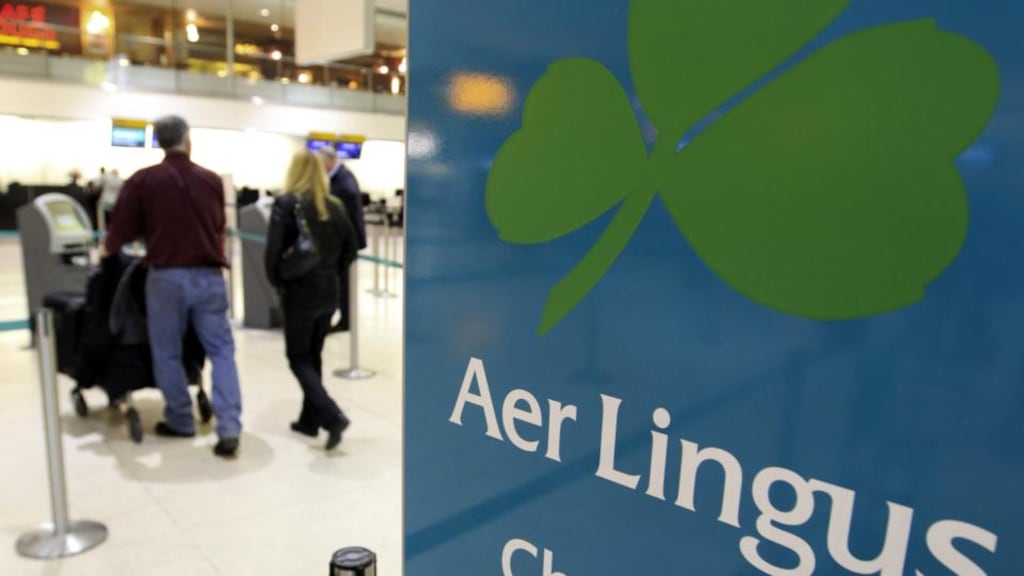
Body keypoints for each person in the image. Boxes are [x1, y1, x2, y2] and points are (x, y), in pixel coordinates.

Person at [104, 115, 243, 458]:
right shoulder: (211, 180)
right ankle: (229, 427)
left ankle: (181, 420)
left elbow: (121, 230)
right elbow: (218, 226)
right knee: (222, 351)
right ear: (187, 139)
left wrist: (106, 253)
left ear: (159, 142)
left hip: (165, 277)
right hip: (209, 276)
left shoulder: (143, 181)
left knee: (167, 351)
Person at [265, 150, 357, 450]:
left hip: (299, 295)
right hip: (328, 294)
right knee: (312, 355)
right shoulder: (334, 206)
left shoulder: (287, 204)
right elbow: (350, 251)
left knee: (297, 358)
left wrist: (280, 281)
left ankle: (331, 416)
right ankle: (308, 420)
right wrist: (331, 273)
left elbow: (272, 256)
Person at [317, 146, 366, 332]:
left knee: (345, 283)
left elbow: (346, 213)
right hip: (343, 242)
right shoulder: (339, 178)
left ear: (329, 161)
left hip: (346, 243)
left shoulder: (343, 181)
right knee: (341, 282)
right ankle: (343, 316)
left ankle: (346, 320)